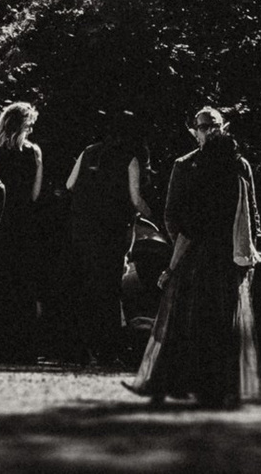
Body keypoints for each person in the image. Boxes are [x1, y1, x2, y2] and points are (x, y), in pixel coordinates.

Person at [128, 107, 261, 408]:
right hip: (199, 251)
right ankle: (195, 382)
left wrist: (255, 244)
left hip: (224, 252)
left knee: (218, 318)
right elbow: (174, 214)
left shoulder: (238, 166)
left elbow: (250, 209)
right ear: (195, 131)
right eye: (203, 126)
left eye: (213, 125)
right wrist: (180, 246)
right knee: (192, 319)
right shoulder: (188, 165)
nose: (209, 131)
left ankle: (212, 385)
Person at [65, 111, 153, 364]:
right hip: (112, 232)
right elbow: (135, 198)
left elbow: (70, 184)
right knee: (110, 290)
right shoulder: (130, 158)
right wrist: (153, 214)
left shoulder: (88, 151)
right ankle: (108, 348)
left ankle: (83, 348)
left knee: (86, 287)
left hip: (82, 229)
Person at [0, 99, 46, 364]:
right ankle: (23, 349)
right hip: (24, 227)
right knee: (22, 287)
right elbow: (35, 194)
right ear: (23, 126)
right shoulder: (34, 153)